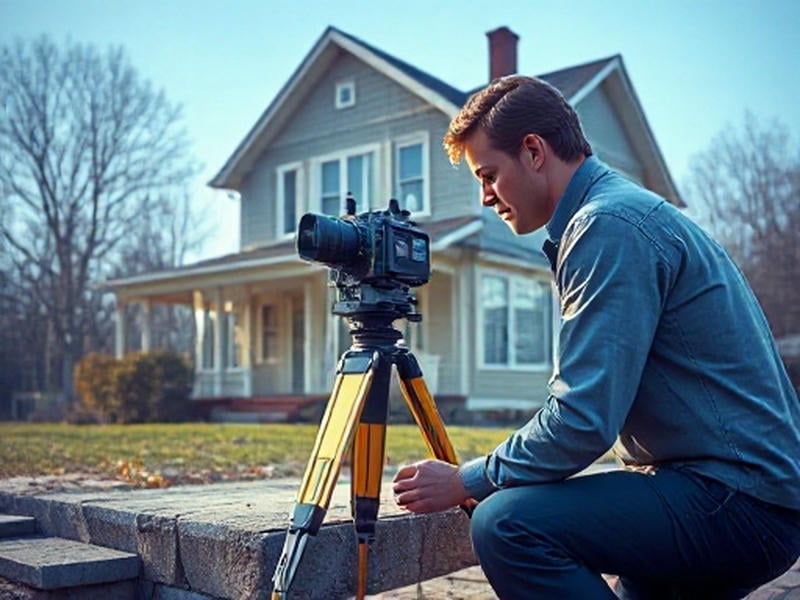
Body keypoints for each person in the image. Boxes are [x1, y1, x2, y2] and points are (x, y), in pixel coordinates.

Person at [392, 75, 800, 599]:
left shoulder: (607, 226)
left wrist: (465, 480)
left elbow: (582, 422)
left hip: (735, 498)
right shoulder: (624, 212)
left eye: (488, 175)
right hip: (742, 493)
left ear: (534, 151)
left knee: (507, 522)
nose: (486, 197)